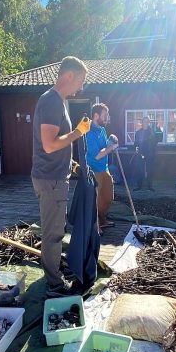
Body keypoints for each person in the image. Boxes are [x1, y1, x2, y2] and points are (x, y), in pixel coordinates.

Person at [31, 56, 91, 298]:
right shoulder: (51, 102)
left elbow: (56, 145)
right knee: (53, 233)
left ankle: (53, 271)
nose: (81, 86)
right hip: (51, 180)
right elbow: (48, 145)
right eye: (81, 80)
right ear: (68, 75)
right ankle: (54, 284)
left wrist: (72, 164)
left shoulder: (57, 102)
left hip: (55, 176)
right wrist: (78, 132)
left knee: (55, 229)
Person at [85, 103, 119, 234]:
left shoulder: (103, 130)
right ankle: (96, 225)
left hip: (105, 169)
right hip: (94, 170)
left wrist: (111, 140)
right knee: (95, 200)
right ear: (96, 115)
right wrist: (111, 148)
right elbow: (98, 155)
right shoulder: (89, 133)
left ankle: (103, 220)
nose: (107, 118)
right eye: (105, 115)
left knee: (108, 197)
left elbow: (105, 146)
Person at [133, 116, 159, 191]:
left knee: (150, 169)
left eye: (147, 121)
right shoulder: (138, 132)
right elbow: (135, 143)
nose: (146, 123)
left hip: (150, 153)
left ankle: (150, 186)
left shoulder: (152, 132)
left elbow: (156, 142)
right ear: (142, 123)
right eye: (144, 121)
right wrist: (136, 149)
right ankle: (139, 186)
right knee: (139, 170)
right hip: (140, 153)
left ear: (148, 123)